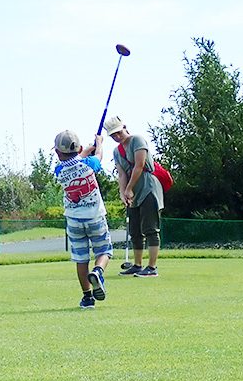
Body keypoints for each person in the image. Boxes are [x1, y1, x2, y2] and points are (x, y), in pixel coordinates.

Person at [52, 129, 113, 308]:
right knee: (104, 251)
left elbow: (75, 158)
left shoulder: (59, 170)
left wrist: (88, 147)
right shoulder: (89, 165)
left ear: (57, 152)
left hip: (74, 220)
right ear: (78, 149)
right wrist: (99, 143)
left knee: (81, 259)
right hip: (95, 217)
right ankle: (98, 271)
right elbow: (98, 157)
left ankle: (87, 298)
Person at [103, 115, 162, 277]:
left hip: (148, 188)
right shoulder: (117, 151)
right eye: (113, 135)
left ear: (124, 127)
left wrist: (129, 189)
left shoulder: (137, 140)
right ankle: (137, 265)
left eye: (118, 132)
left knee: (150, 228)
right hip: (132, 192)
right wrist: (123, 193)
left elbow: (139, 165)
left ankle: (152, 267)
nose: (116, 136)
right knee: (135, 230)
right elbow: (121, 174)